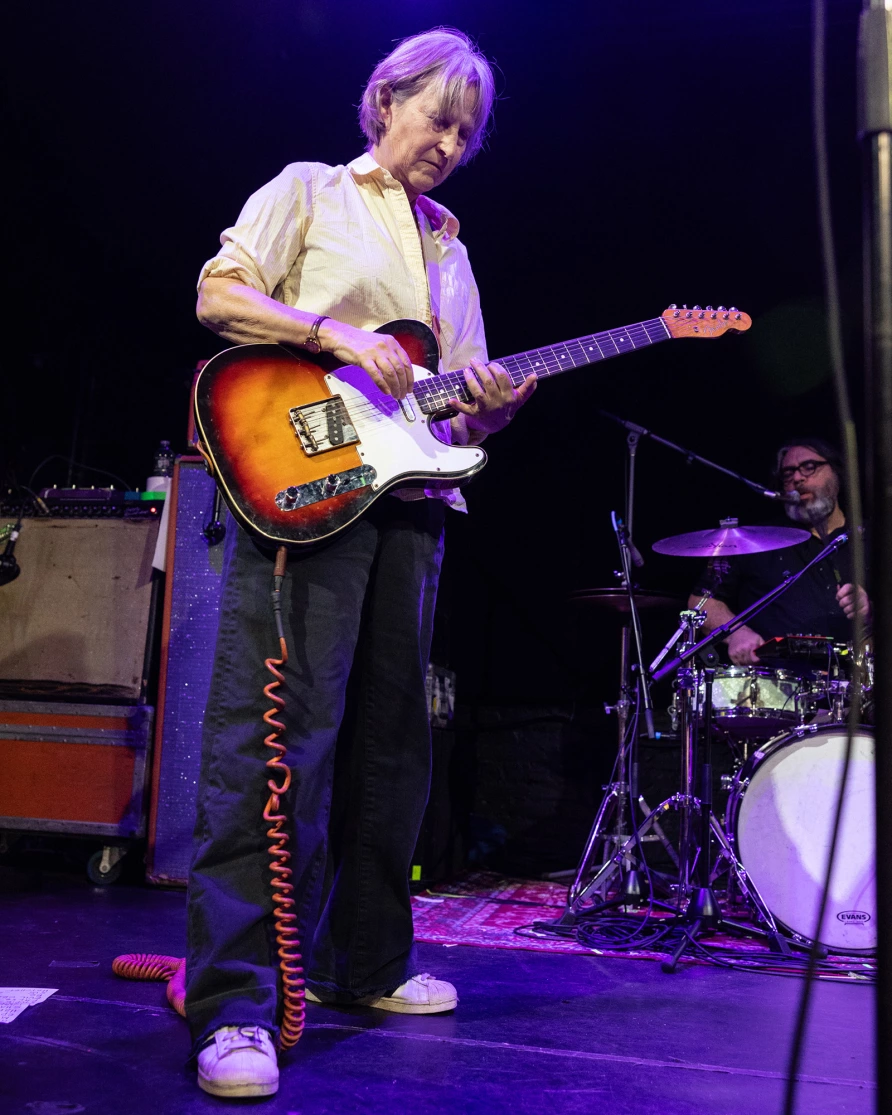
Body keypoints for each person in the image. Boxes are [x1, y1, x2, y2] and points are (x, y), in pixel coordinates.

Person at [185, 28, 536, 1099]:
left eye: (468, 131)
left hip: (415, 498)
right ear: (385, 100)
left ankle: (364, 961)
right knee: (279, 738)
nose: (451, 141)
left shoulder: (452, 250)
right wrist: (333, 337)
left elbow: (455, 393)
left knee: (393, 745)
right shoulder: (310, 189)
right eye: (439, 115)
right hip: (310, 489)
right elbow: (218, 294)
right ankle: (234, 1004)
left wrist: (499, 398)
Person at [688, 438, 870, 664]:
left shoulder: (873, 539)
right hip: (775, 689)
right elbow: (701, 602)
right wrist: (737, 633)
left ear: (837, 474)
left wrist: (872, 609)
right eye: (788, 474)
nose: (797, 478)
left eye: (809, 467)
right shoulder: (756, 540)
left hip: (857, 686)